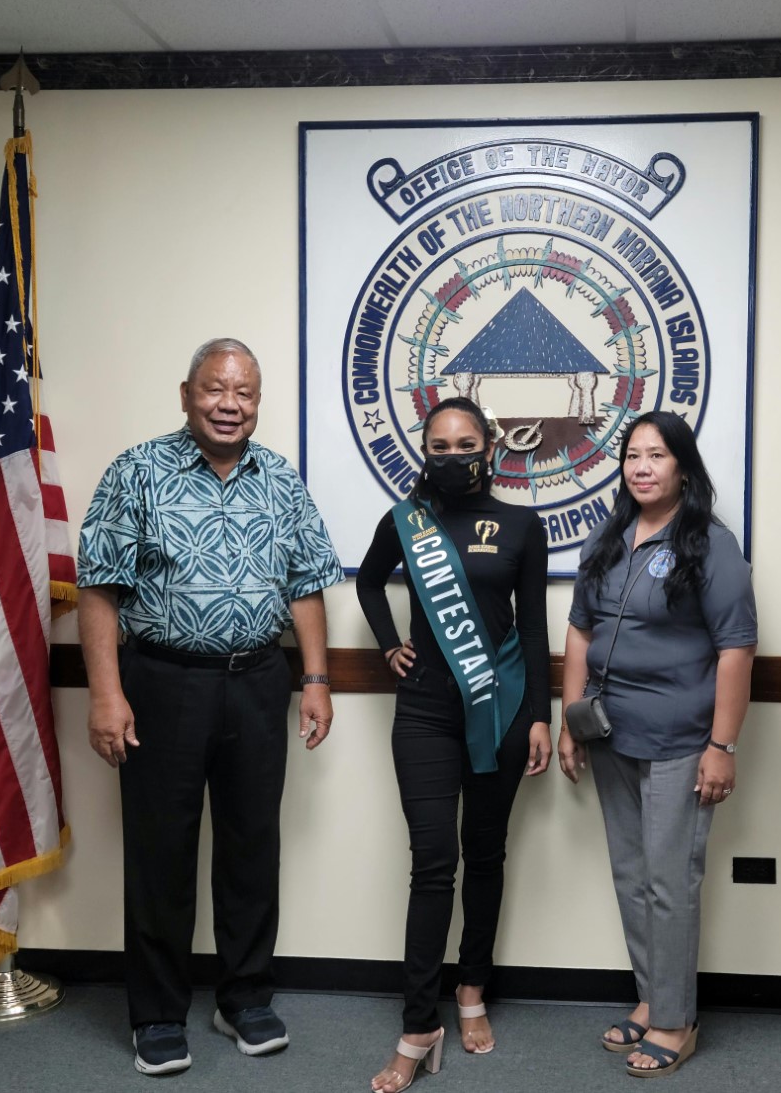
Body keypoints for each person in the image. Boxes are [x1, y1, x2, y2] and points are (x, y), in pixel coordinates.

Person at [76, 337, 343, 1076]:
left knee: (253, 844)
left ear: (257, 401)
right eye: (216, 389)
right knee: (161, 851)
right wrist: (106, 692)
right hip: (163, 681)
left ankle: (244, 998)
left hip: (258, 679)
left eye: (245, 393)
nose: (230, 404)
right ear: (187, 392)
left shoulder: (280, 479)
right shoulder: (136, 471)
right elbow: (99, 588)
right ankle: (158, 1014)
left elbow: (306, 582)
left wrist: (315, 678)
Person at [356, 397, 552, 1093]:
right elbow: (368, 578)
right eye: (438, 444)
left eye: (464, 443)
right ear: (425, 451)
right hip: (425, 712)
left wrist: (538, 716)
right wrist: (388, 643)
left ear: (488, 448)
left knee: (487, 853)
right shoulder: (407, 521)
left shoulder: (525, 526)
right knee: (433, 861)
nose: (451, 455)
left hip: (499, 710)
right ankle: (418, 1026)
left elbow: (533, 632)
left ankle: (472, 990)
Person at [559, 410, 757, 1078]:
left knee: (672, 880)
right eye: (632, 455)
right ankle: (653, 996)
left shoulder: (710, 543)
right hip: (612, 732)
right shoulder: (609, 535)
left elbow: (736, 647)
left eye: (657, 455)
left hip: (681, 736)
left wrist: (721, 745)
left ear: (682, 466)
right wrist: (569, 717)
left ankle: (676, 1018)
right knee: (632, 873)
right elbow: (580, 631)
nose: (641, 466)